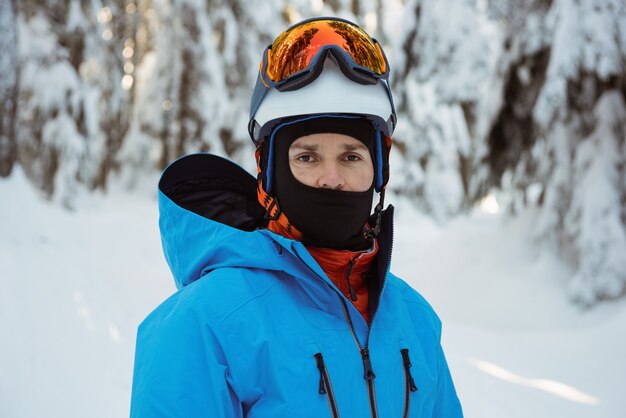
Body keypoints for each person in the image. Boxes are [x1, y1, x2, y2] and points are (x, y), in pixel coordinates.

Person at [130, 16, 463, 418]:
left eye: (352, 156)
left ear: (380, 171)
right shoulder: (202, 325)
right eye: (306, 157)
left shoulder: (415, 319)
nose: (331, 178)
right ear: (268, 174)